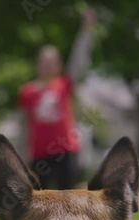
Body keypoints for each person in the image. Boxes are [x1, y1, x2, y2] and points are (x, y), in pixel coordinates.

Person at [19, 9, 97, 190]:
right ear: (37, 65)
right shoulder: (27, 91)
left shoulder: (64, 85)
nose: (46, 66)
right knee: (39, 199)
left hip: (65, 151)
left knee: (68, 197)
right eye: (43, 62)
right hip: (39, 153)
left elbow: (79, 61)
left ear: (58, 65)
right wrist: (22, 154)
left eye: (51, 62)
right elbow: (24, 125)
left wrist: (86, 30)